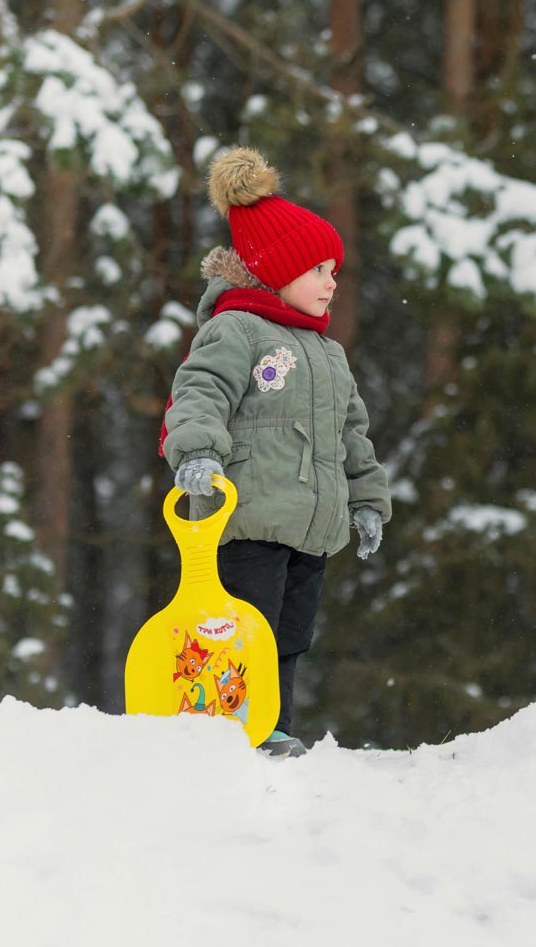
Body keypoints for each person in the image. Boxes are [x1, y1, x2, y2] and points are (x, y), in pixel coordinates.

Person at [160, 146, 391, 757]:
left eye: (334, 272)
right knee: (245, 628)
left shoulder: (328, 354)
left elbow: (352, 436)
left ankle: (273, 723)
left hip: (310, 526)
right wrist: (197, 454)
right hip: (249, 519)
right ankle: (227, 724)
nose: (331, 282)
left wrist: (367, 500)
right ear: (276, 270)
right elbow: (199, 391)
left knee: (288, 635)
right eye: (319, 270)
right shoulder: (237, 329)